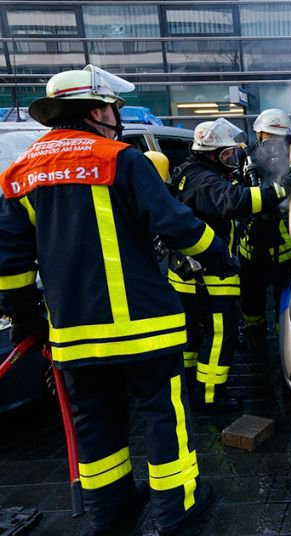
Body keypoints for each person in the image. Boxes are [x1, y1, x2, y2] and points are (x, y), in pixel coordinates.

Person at [0, 65, 239, 535]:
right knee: (163, 416)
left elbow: (10, 266)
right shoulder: (121, 159)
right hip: (146, 329)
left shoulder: (19, 174)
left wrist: (31, 323)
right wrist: (221, 257)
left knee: (96, 426)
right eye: (114, 108)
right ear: (96, 110)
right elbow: (178, 226)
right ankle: (177, 509)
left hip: (74, 337)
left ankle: (111, 512)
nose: (117, 116)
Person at [168, 117, 291, 411]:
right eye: (227, 155)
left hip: (186, 274)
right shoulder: (204, 180)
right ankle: (210, 398)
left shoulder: (191, 172)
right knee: (222, 336)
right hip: (211, 275)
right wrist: (279, 189)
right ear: (211, 154)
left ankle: (188, 388)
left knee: (190, 338)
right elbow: (236, 202)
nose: (233, 159)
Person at [237, 108, 291, 352]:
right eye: (267, 136)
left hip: (285, 245)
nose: (271, 143)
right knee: (251, 299)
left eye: (276, 137)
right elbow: (238, 197)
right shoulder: (246, 158)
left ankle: (285, 345)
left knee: (285, 300)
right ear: (258, 135)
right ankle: (255, 340)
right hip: (253, 244)